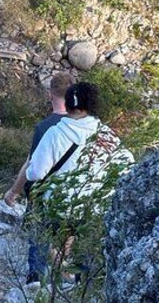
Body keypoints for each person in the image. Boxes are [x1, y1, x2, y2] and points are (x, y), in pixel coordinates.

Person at [23, 81, 133, 285]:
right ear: (92, 104)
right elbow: (126, 164)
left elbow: (36, 173)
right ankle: (82, 283)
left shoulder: (55, 133)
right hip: (93, 207)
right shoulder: (107, 136)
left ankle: (36, 276)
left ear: (67, 104)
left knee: (39, 228)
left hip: (56, 205)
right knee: (84, 247)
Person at [3, 72, 75, 207]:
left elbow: (32, 163)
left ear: (50, 93)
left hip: (46, 198)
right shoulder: (85, 125)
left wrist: (13, 192)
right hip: (77, 195)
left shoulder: (44, 128)